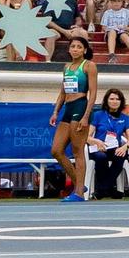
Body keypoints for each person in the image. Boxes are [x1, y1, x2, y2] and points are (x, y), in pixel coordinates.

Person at [50, 36, 98, 202]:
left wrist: (86, 116)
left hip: (81, 106)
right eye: (73, 46)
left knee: (78, 151)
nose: (75, 49)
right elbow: (62, 92)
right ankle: (80, 183)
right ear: (69, 49)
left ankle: (79, 193)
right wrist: (56, 111)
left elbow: (93, 93)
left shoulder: (89, 66)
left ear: (84, 50)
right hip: (68, 108)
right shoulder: (66, 67)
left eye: (79, 46)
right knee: (56, 150)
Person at [88, 88, 129, 199]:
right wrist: (96, 141)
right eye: (112, 99)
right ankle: (110, 189)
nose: (114, 101)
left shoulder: (125, 118)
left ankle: (102, 190)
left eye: (117, 99)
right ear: (106, 101)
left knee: (120, 156)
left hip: (114, 148)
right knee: (101, 157)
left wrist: (125, 147)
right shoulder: (98, 115)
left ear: (121, 102)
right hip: (98, 148)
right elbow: (87, 137)